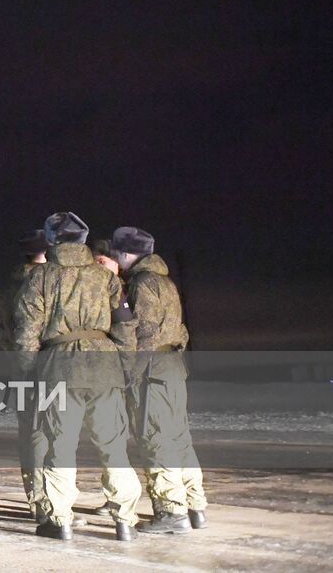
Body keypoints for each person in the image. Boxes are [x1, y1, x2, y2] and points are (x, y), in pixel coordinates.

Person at [13, 211, 141, 542]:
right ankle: (125, 520)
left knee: (60, 445)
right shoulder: (106, 278)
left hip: (59, 368)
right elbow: (125, 326)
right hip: (104, 365)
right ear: (84, 241)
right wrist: (125, 366)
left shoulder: (39, 279)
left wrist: (29, 370)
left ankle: (60, 520)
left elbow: (26, 332)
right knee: (113, 445)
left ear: (52, 240)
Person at [114, 226, 208, 534]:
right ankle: (195, 506)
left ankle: (171, 511)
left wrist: (129, 371)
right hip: (173, 367)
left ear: (126, 254)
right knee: (179, 437)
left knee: (155, 438)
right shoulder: (166, 283)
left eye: (118, 253)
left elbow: (145, 332)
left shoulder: (142, 283)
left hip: (151, 370)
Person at [0, 230, 50, 524]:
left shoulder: (11, 285)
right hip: (43, 368)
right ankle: (48, 506)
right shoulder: (42, 283)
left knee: (32, 436)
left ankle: (40, 502)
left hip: (21, 369)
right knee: (46, 436)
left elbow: (4, 334)